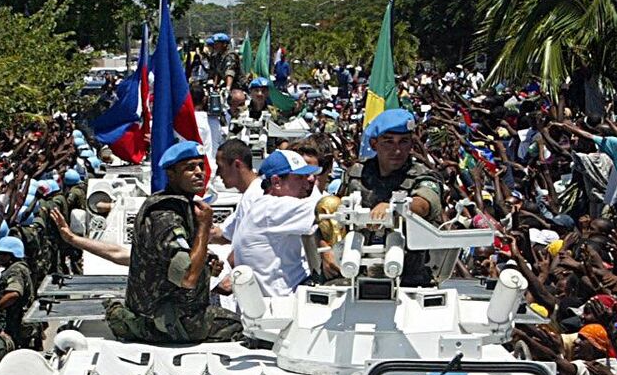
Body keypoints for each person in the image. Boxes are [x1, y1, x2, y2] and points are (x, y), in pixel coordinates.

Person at [104, 141, 241, 345]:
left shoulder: (180, 207)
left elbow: (176, 260)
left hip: (167, 312)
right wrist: (205, 227)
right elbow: (187, 277)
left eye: (200, 166)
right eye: (189, 168)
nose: (199, 173)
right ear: (171, 174)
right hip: (165, 322)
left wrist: (206, 266)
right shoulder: (165, 216)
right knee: (241, 326)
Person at [341, 109, 447, 284]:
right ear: (374, 144)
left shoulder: (421, 175)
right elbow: (337, 210)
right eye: (388, 142)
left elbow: (425, 203)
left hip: (410, 277)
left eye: (403, 142)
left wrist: (393, 207)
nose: (397, 150)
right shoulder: (356, 174)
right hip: (356, 273)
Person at [220, 149, 323, 296]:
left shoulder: (263, 206)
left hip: (279, 300)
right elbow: (328, 208)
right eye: (300, 177)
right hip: (283, 305)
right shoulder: (272, 208)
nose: (310, 180)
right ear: (277, 182)